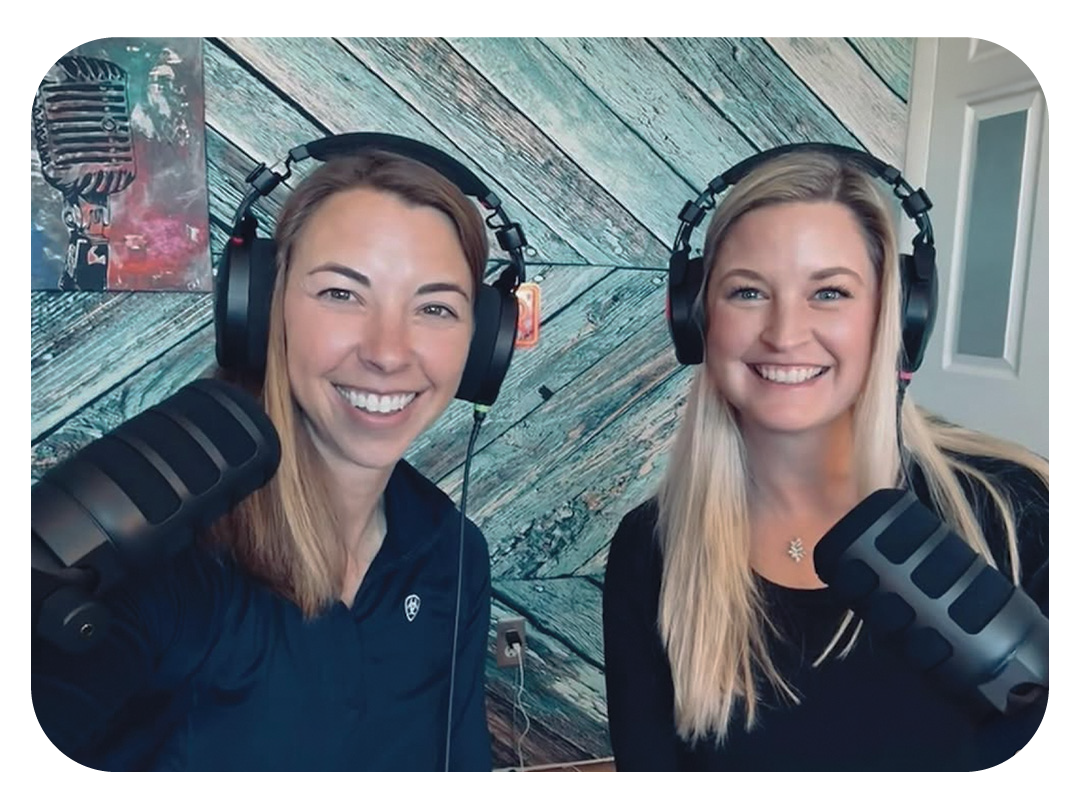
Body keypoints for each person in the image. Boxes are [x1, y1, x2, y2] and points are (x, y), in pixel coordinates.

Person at [31, 148, 502, 772]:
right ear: (261, 308)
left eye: (435, 307)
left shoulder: (452, 553)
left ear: (482, 342)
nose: (389, 353)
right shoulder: (169, 555)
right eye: (341, 293)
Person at [601, 148, 1052, 771]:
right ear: (697, 317)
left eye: (830, 292)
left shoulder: (1005, 509)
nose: (785, 333)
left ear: (894, 316)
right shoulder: (651, 551)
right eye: (749, 291)